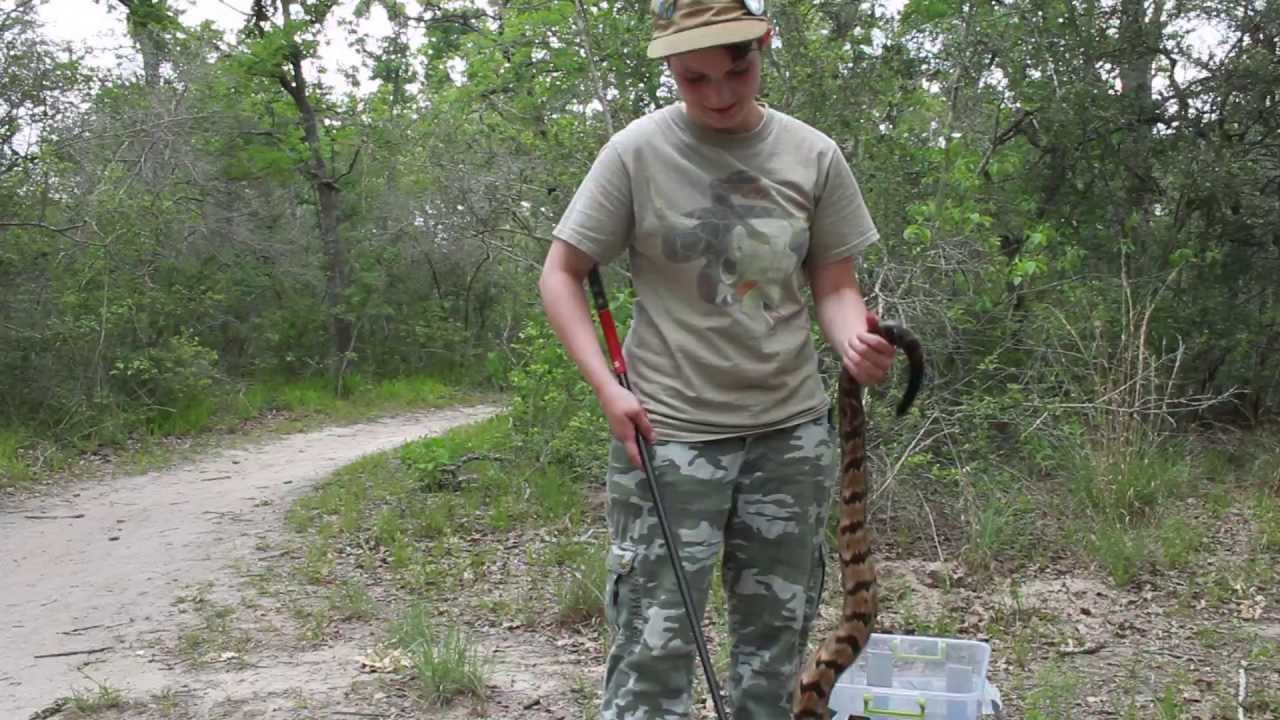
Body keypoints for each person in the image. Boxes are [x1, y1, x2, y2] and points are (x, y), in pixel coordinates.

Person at [538, 1, 897, 717]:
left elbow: (833, 284)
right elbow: (561, 273)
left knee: (776, 646)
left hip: (789, 435)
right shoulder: (635, 153)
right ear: (669, 67)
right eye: (694, 78)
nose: (721, 95)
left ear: (764, 44)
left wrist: (853, 337)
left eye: (738, 70)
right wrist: (610, 390)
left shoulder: (812, 155)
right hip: (669, 438)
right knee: (654, 649)